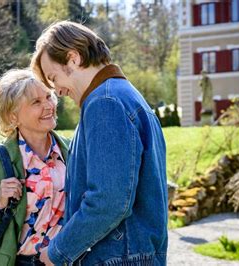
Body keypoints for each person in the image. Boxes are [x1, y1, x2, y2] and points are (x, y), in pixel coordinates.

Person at [31, 21, 168, 265]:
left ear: (73, 58)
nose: (57, 92)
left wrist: (56, 253)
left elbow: (108, 201)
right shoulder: (125, 95)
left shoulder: (105, 103)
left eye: (54, 78)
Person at [0, 69, 70, 266]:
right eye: (36, 102)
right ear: (12, 116)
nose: (49, 105)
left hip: (64, 260)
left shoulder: (70, 152)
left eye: (48, 97)